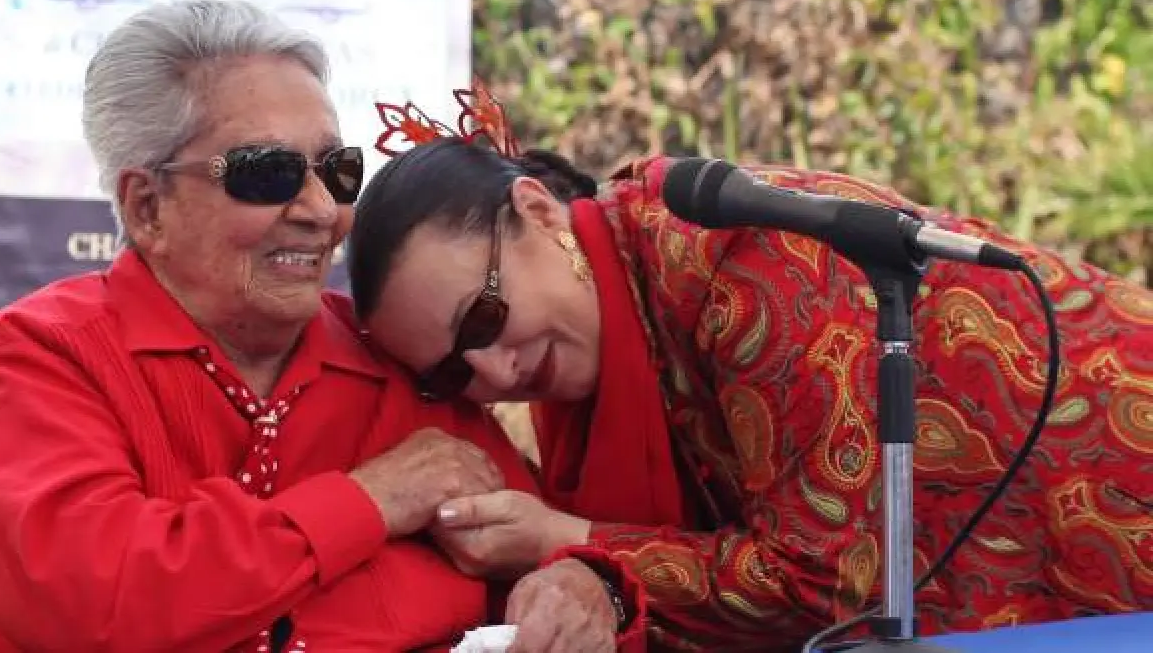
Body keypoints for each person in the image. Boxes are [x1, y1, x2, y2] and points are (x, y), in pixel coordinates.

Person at [347, 83, 1153, 651]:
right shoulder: (606, 329)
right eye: (451, 374)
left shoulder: (743, 267)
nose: (494, 371)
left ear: (537, 210)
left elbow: (828, 587)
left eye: (483, 318)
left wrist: (566, 538)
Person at [0, 1, 647, 652]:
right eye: (270, 173)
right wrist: (370, 498)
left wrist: (587, 587)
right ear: (147, 208)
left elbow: (542, 545)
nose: (321, 210)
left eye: (336, 171)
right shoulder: (52, 352)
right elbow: (89, 592)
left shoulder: (395, 362)